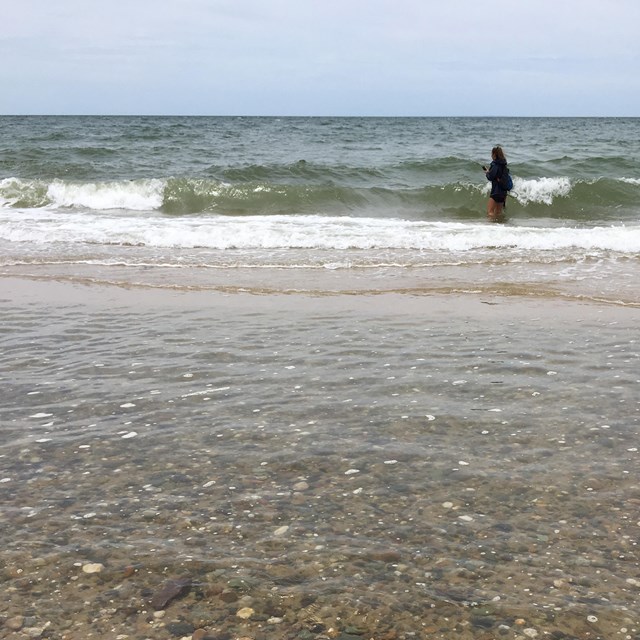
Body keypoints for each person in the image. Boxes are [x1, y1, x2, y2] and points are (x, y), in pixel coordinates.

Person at [483, 146, 509, 221]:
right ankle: (499, 227)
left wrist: (487, 173)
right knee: (498, 213)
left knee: (490, 212)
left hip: (496, 192)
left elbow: (490, 177)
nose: (491, 155)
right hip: (503, 192)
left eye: (492, 154)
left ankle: (492, 229)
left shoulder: (495, 165)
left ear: (494, 154)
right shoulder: (504, 165)